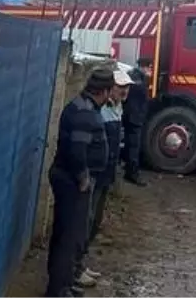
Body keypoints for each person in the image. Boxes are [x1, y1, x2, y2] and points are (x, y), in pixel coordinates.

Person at [46, 67, 110, 298]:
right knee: (69, 238)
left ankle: (63, 281)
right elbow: (77, 150)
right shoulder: (85, 114)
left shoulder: (81, 105)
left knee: (65, 234)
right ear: (104, 91)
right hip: (73, 182)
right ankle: (59, 291)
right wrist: (83, 178)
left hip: (67, 178)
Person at [88, 67, 130, 247]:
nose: (125, 90)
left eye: (127, 86)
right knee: (88, 216)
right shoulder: (101, 110)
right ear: (110, 88)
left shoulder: (118, 107)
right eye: (121, 86)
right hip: (96, 172)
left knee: (96, 214)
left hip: (107, 172)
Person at [122, 60, 150, 186]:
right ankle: (132, 173)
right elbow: (139, 96)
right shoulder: (137, 79)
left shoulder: (133, 75)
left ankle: (128, 169)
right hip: (134, 116)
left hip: (131, 115)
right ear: (143, 67)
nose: (150, 70)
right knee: (134, 146)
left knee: (130, 144)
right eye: (149, 67)